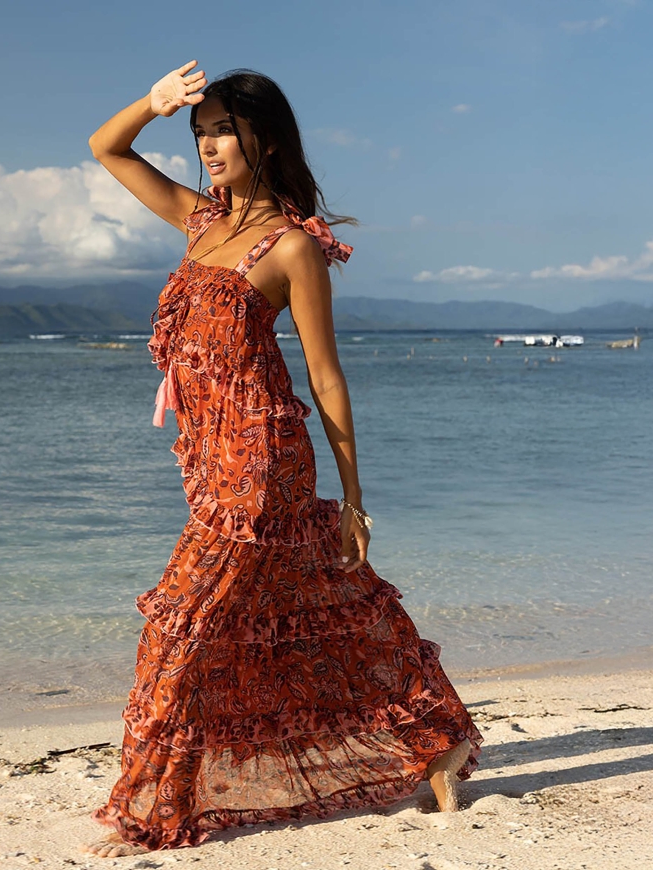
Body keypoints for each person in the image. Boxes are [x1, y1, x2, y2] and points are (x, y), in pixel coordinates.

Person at [84, 61, 482, 858]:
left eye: (223, 131)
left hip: (263, 465)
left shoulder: (292, 247)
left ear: (264, 138)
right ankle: (440, 743)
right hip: (210, 469)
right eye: (200, 133)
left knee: (185, 629)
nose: (208, 147)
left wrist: (354, 499)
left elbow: (326, 377)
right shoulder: (200, 222)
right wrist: (154, 104)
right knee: (325, 623)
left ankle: (152, 807)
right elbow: (108, 149)